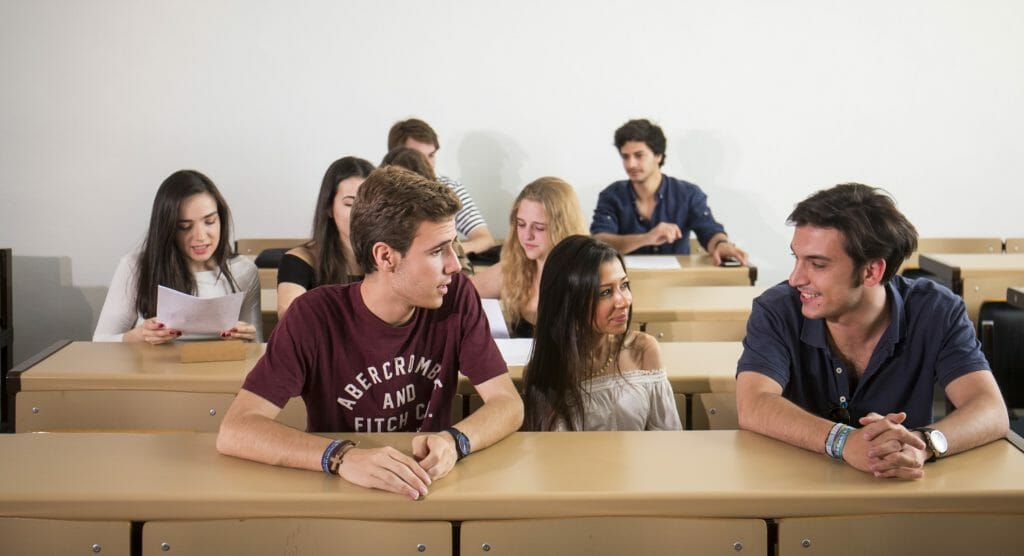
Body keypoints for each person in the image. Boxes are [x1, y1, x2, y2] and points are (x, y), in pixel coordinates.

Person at [217, 166, 523, 500]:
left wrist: (455, 440)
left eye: (452, 247)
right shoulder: (313, 316)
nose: (453, 265)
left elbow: (508, 403)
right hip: (340, 490)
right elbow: (236, 430)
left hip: (429, 490)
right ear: (385, 256)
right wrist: (342, 456)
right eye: (437, 251)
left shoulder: (456, 295)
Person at [736, 183, 1008, 479]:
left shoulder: (938, 310)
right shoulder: (776, 309)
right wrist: (843, 441)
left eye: (817, 264)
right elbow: (753, 404)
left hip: (902, 492)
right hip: (795, 488)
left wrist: (924, 444)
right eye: (796, 258)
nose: (794, 279)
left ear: (871, 272)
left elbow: (990, 410)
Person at [522, 235, 682, 431]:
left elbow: (668, 439)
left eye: (624, 285)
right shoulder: (545, 370)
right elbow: (547, 454)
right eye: (605, 292)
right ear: (570, 302)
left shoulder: (643, 350)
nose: (624, 301)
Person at [93, 169, 261, 343]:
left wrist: (246, 340)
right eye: (185, 226)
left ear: (221, 219)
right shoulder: (135, 266)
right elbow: (100, 341)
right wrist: (139, 336)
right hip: (152, 369)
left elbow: (258, 350)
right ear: (168, 229)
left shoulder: (243, 271)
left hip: (220, 369)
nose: (200, 236)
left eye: (210, 222)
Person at [591, 118, 749, 265]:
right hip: (627, 286)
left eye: (639, 155)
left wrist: (721, 245)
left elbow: (709, 230)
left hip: (677, 284)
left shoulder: (688, 194)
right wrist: (646, 238)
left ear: (658, 156)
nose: (631, 164)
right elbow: (598, 242)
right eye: (625, 157)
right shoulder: (611, 195)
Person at [470, 177, 587, 337]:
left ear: (562, 228)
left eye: (539, 228)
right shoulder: (515, 268)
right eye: (521, 224)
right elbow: (456, 294)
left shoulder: (588, 275)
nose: (526, 236)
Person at [276, 156, 375, 318]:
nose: (360, 213)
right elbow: (291, 320)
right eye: (350, 204)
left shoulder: (389, 259)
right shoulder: (299, 261)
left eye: (369, 204)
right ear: (329, 207)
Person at [388, 118, 496, 254]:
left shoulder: (450, 189)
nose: (428, 164)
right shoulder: (374, 190)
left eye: (431, 155)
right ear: (396, 156)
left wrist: (442, 254)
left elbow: (485, 240)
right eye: (418, 157)